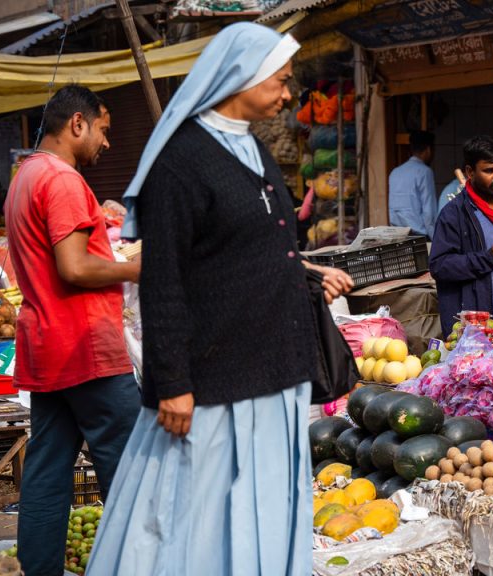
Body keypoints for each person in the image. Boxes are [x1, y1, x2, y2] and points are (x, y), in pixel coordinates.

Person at [87, 22, 353, 576]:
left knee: (266, 502)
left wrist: (307, 276)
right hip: (213, 380)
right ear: (241, 78)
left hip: (275, 369)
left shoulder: (251, 147)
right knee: (197, 516)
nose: (287, 94)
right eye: (279, 81)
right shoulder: (180, 162)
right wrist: (174, 384)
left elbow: (256, 248)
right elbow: (163, 280)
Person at [4, 85, 141, 576]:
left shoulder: (26, 175)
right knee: (132, 473)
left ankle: (36, 570)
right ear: (77, 124)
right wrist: (137, 267)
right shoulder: (62, 180)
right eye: (103, 130)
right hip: (85, 348)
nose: (106, 143)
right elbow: (75, 268)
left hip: (48, 348)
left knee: (46, 473)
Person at [430, 136, 493, 337]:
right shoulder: (454, 214)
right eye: (489, 170)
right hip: (480, 332)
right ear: (470, 172)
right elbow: (440, 266)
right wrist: (491, 257)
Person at [388, 130, 437, 237]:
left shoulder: (395, 172)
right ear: (428, 150)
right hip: (419, 237)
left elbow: (392, 210)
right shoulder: (424, 171)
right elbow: (429, 212)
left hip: (398, 236)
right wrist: (435, 239)